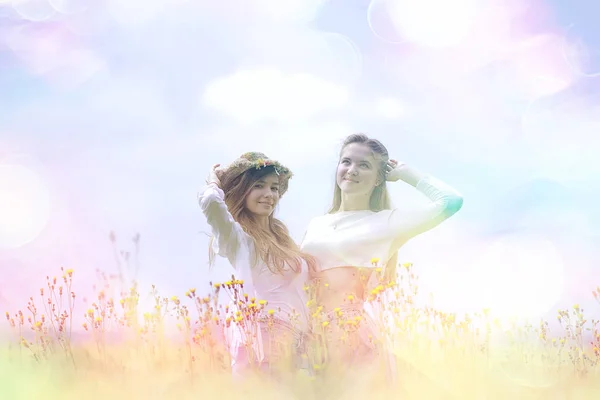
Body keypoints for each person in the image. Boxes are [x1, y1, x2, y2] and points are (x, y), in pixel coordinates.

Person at [301, 133, 463, 390]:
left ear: (379, 178)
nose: (351, 170)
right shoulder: (317, 224)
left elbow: (451, 202)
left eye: (364, 165)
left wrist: (405, 174)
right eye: (346, 161)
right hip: (310, 337)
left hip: (351, 337)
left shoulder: (387, 222)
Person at [198, 152, 317, 382]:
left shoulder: (282, 238)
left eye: (274, 187)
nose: (268, 194)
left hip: (298, 345)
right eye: (259, 186)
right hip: (265, 343)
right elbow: (211, 203)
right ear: (243, 190)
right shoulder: (240, 239)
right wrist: (215, 181)